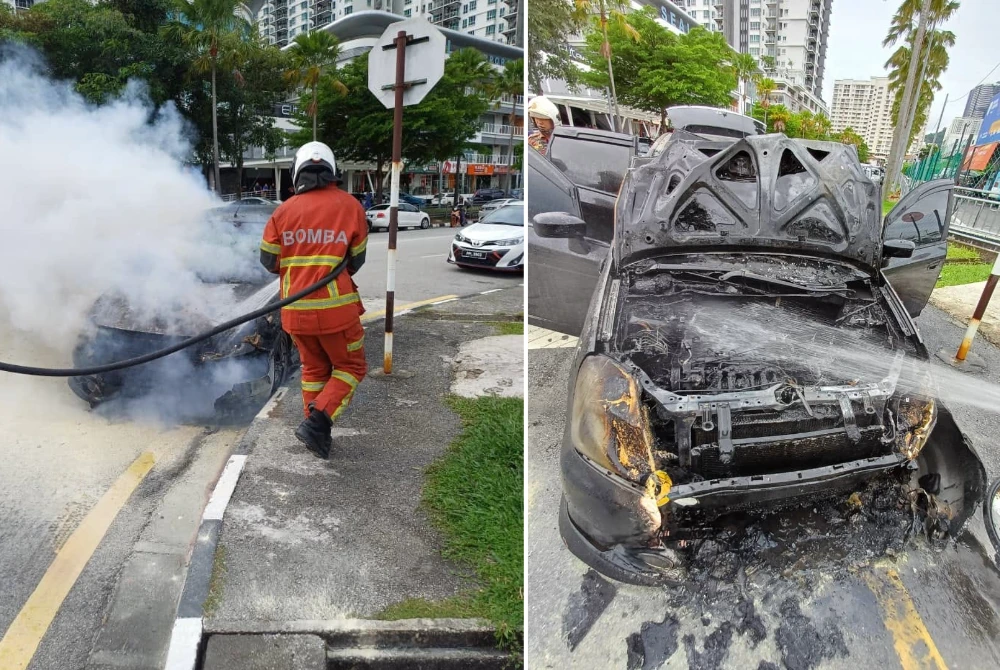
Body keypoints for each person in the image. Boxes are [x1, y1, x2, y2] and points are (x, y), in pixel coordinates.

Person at [259, 141, 369, 459]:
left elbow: (268, 261)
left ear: (297, 173)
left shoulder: (282, 212)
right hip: (337, 311)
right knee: (350, 366)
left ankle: (316, 433)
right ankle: (318, 423)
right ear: (332, 170)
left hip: (294, 312)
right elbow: (356, 261)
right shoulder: (351, 206)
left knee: (314, 369)